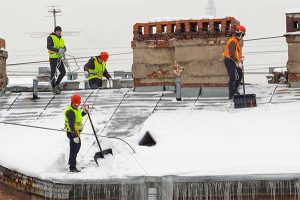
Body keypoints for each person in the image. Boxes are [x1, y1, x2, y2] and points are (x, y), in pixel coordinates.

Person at [64, 94, 88, 173]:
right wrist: (74, 136)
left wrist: (84, 112)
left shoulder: (75, 109)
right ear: (72, 102)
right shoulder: (71, 112)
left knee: (77, 147)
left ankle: (71, 161)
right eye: (75, 104)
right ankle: (72, 167)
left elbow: (78, 117)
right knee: (74, 149)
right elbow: (71, 125)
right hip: (72, 133)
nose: (76, 105)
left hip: (75, 132)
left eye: (78, 104)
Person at [223, 25, 246, 99]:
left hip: (234, 61)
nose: (242, 37)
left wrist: (240, 61)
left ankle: (235, 90)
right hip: (229, 60)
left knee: (240, 75)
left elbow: (236, 54)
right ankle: (231, 94)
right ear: (240, 33)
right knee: (232, 77)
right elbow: (232, 54)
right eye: (242, 35)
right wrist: (238, 62)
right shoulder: (232, 41)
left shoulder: (236, 41)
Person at [47, 26, 66, 94]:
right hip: (53, 58)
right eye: (57, 31)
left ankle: (57, 84)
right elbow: (49, 46)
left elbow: (64, 47)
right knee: (53, 72)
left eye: (60, 31)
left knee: (63, 72)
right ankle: (54, 87)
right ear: (55, 31)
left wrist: (64, 50)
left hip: (59, 58)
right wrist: (58, 50)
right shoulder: (50, 37)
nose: (59, 32)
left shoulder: (61, 39)